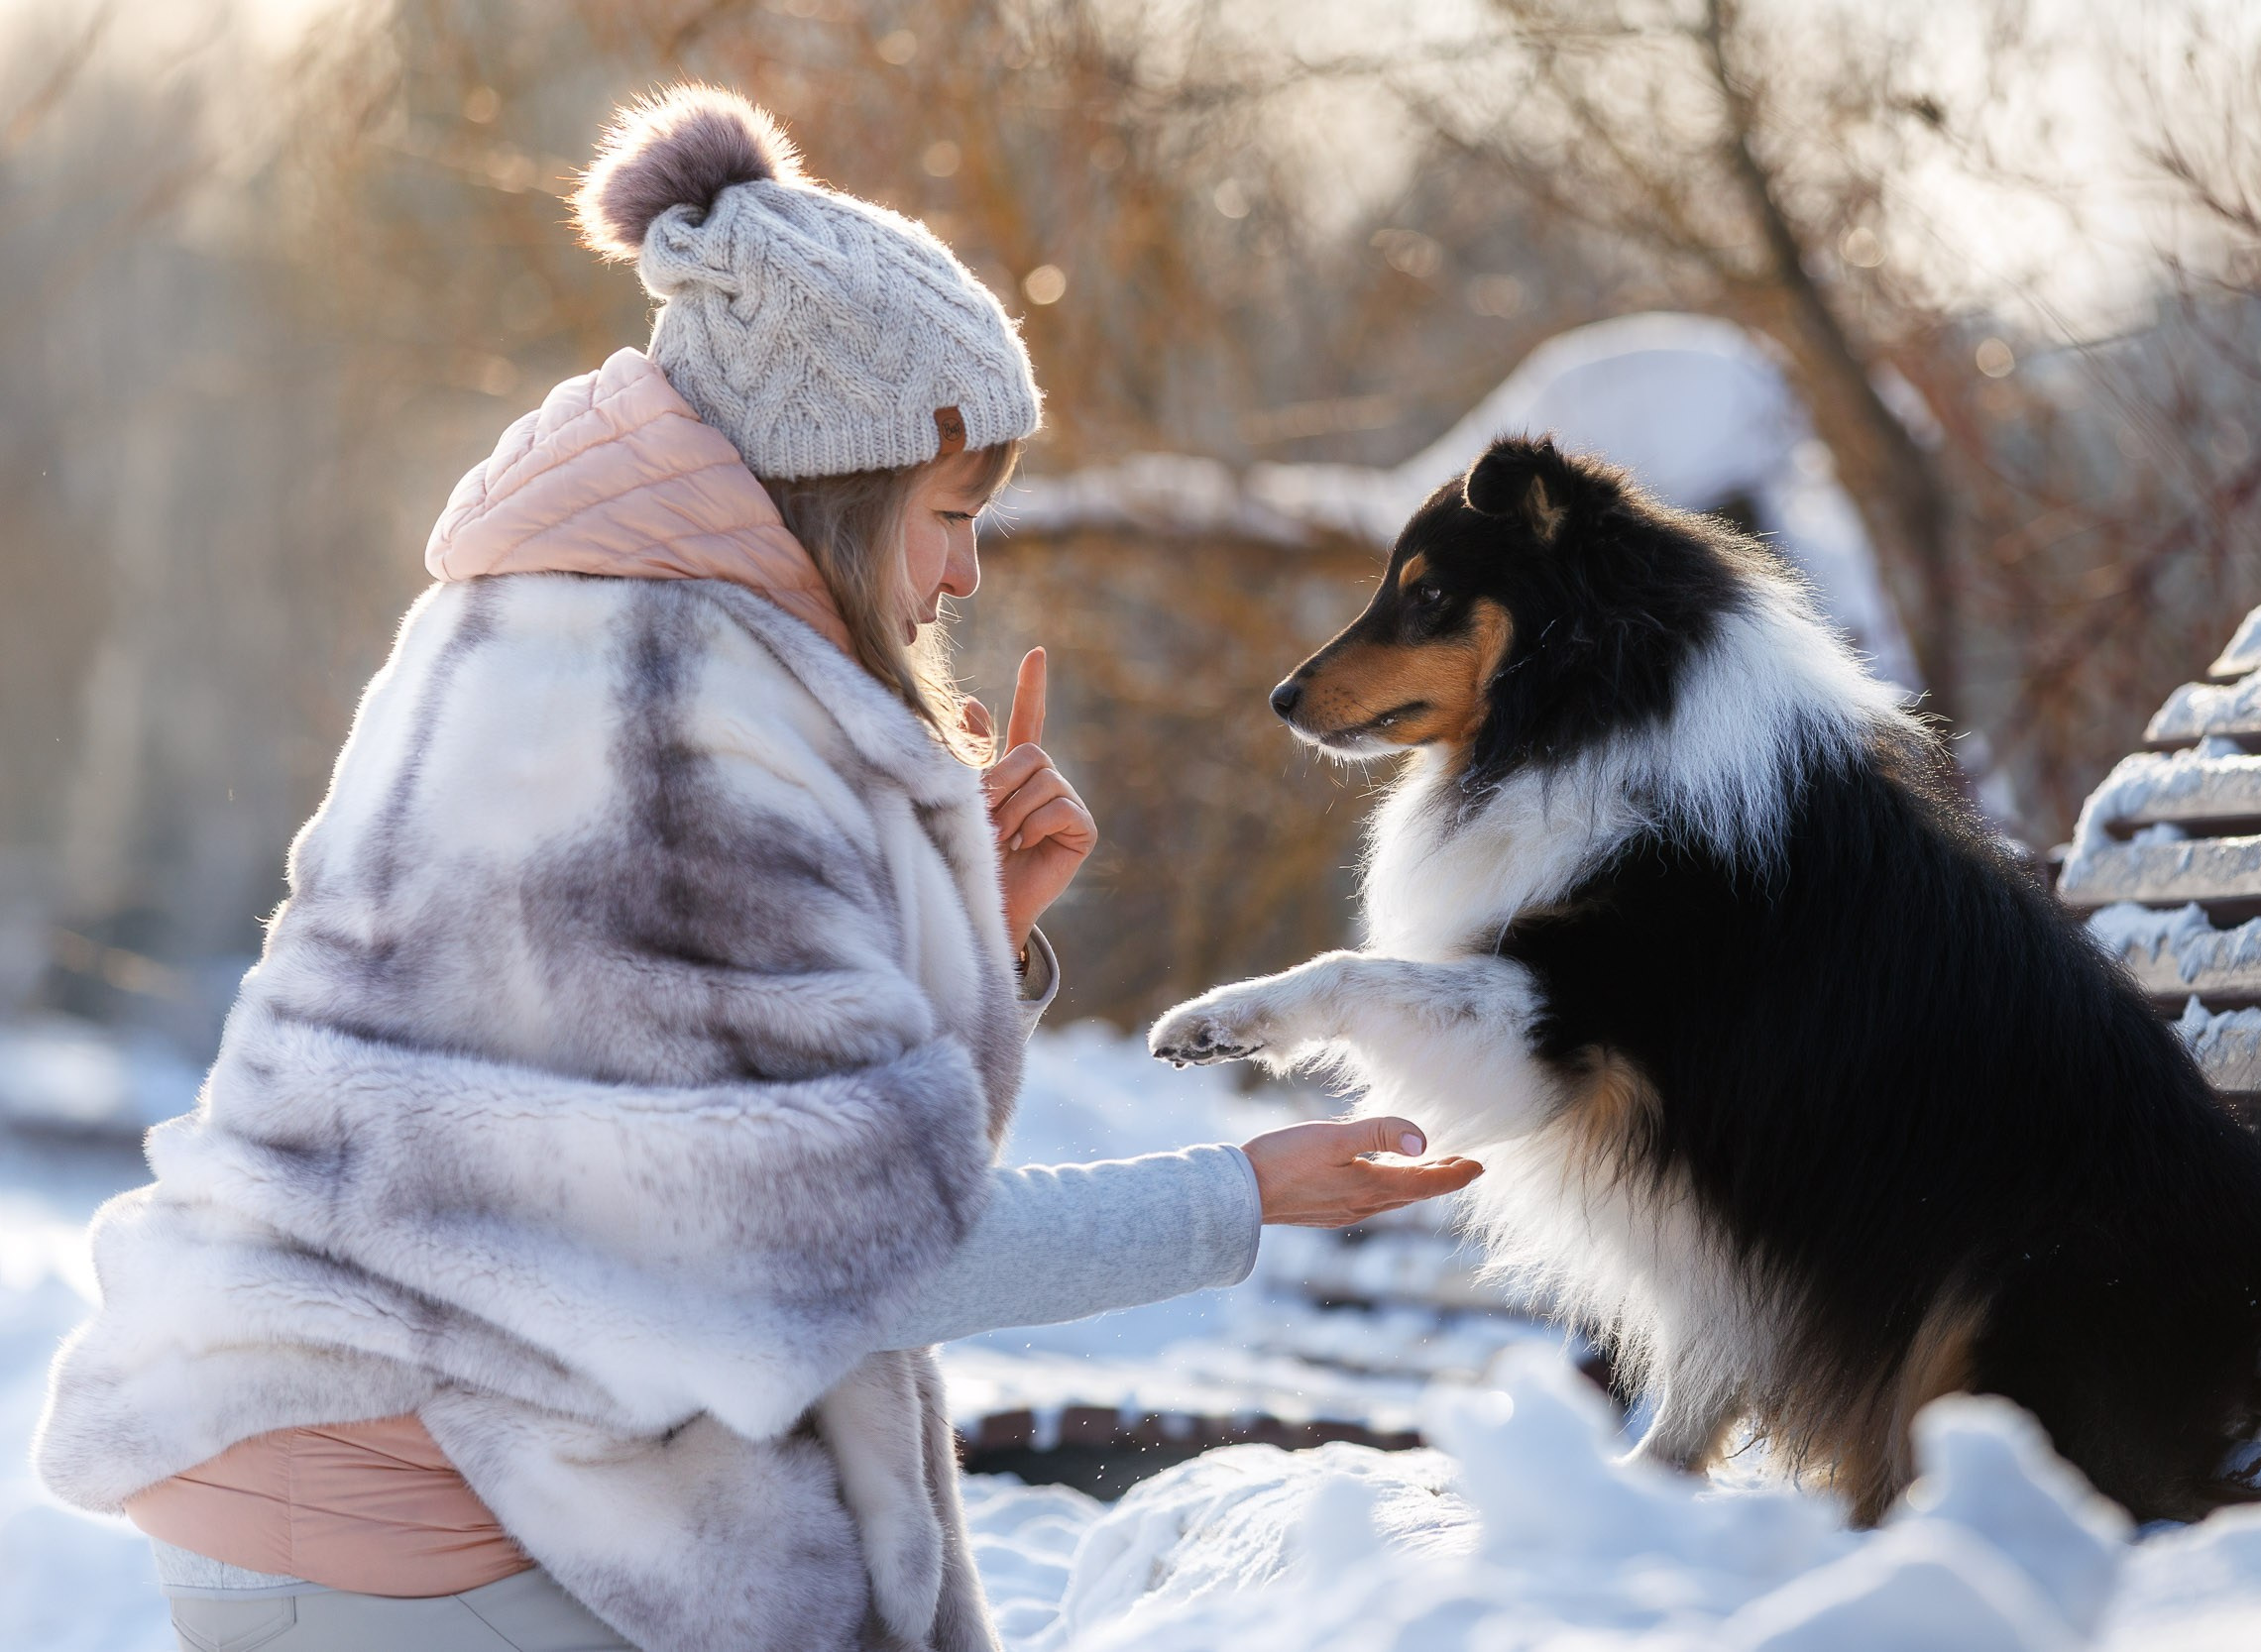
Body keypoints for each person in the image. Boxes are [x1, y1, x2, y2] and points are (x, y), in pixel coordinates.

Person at [34, 85, 1481, 1652]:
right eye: (947, 513)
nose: (965, 570)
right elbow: (844, 1253)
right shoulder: (682, 724)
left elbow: (679, 1142)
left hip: (319, 1448)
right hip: (434, 1502)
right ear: (841, 487)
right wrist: (1238, 1192)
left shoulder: (549, 627)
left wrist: (961, 928)